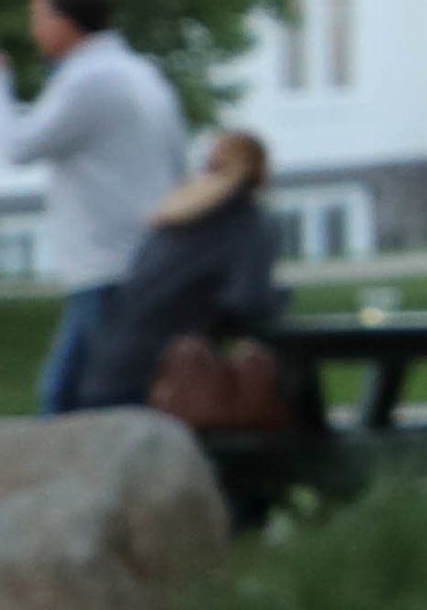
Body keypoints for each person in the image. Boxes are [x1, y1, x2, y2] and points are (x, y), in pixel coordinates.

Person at [0, 0, 187, 415]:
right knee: (78, 395)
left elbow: (18, 145)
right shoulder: (140, 73)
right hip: (142, 255)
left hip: (109, 261)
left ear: (64, 22)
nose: (33, 29)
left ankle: (89, 483)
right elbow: (177, 159)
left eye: (38, 16)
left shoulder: (87, 81)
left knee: (84, 399)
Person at [70, 130, 280, 414]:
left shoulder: (179, 213)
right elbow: (247, 302)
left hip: (107, 370)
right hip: (165, 380)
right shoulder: (248, 224)